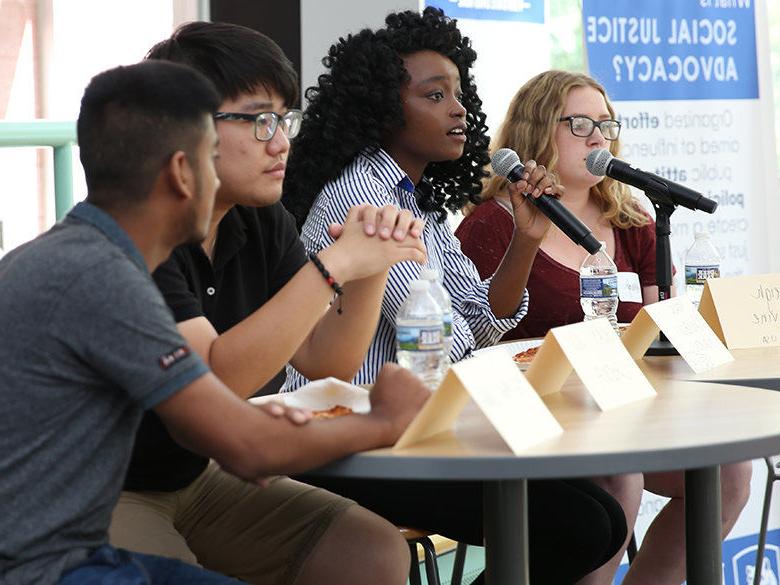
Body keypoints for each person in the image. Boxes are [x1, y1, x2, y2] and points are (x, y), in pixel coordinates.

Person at [0, 60, 430, 585]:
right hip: (53, 560)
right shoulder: (102, 277)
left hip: (164, 491)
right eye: (211, 155)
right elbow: (246, 446)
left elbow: (262, 410)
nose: (280, 144)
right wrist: (383, 421)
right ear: (183, 173)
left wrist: (371, 262)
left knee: (368, 551)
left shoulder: (95, 255)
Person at [282, 9, 628, 584]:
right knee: (581, 526)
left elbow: (480, 321)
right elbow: (450, 336)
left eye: (459, 93)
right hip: (348, 441)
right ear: (381, 108)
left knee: (603, 515)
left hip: (420, 429)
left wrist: (526, 238)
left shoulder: (418, 201)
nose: (458, 109)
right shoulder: (365, 201)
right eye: (434, 95)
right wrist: (474, 321)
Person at [456, 69, 751, 585]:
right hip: (540, 425)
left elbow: (661, 330)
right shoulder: (491, 224)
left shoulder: (631, 218)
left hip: (626, 411)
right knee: (618, 478)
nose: (599, 136)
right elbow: (477, 337)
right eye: (579, 124)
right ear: (536, 130)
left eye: (606, 124)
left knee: (728, 473)